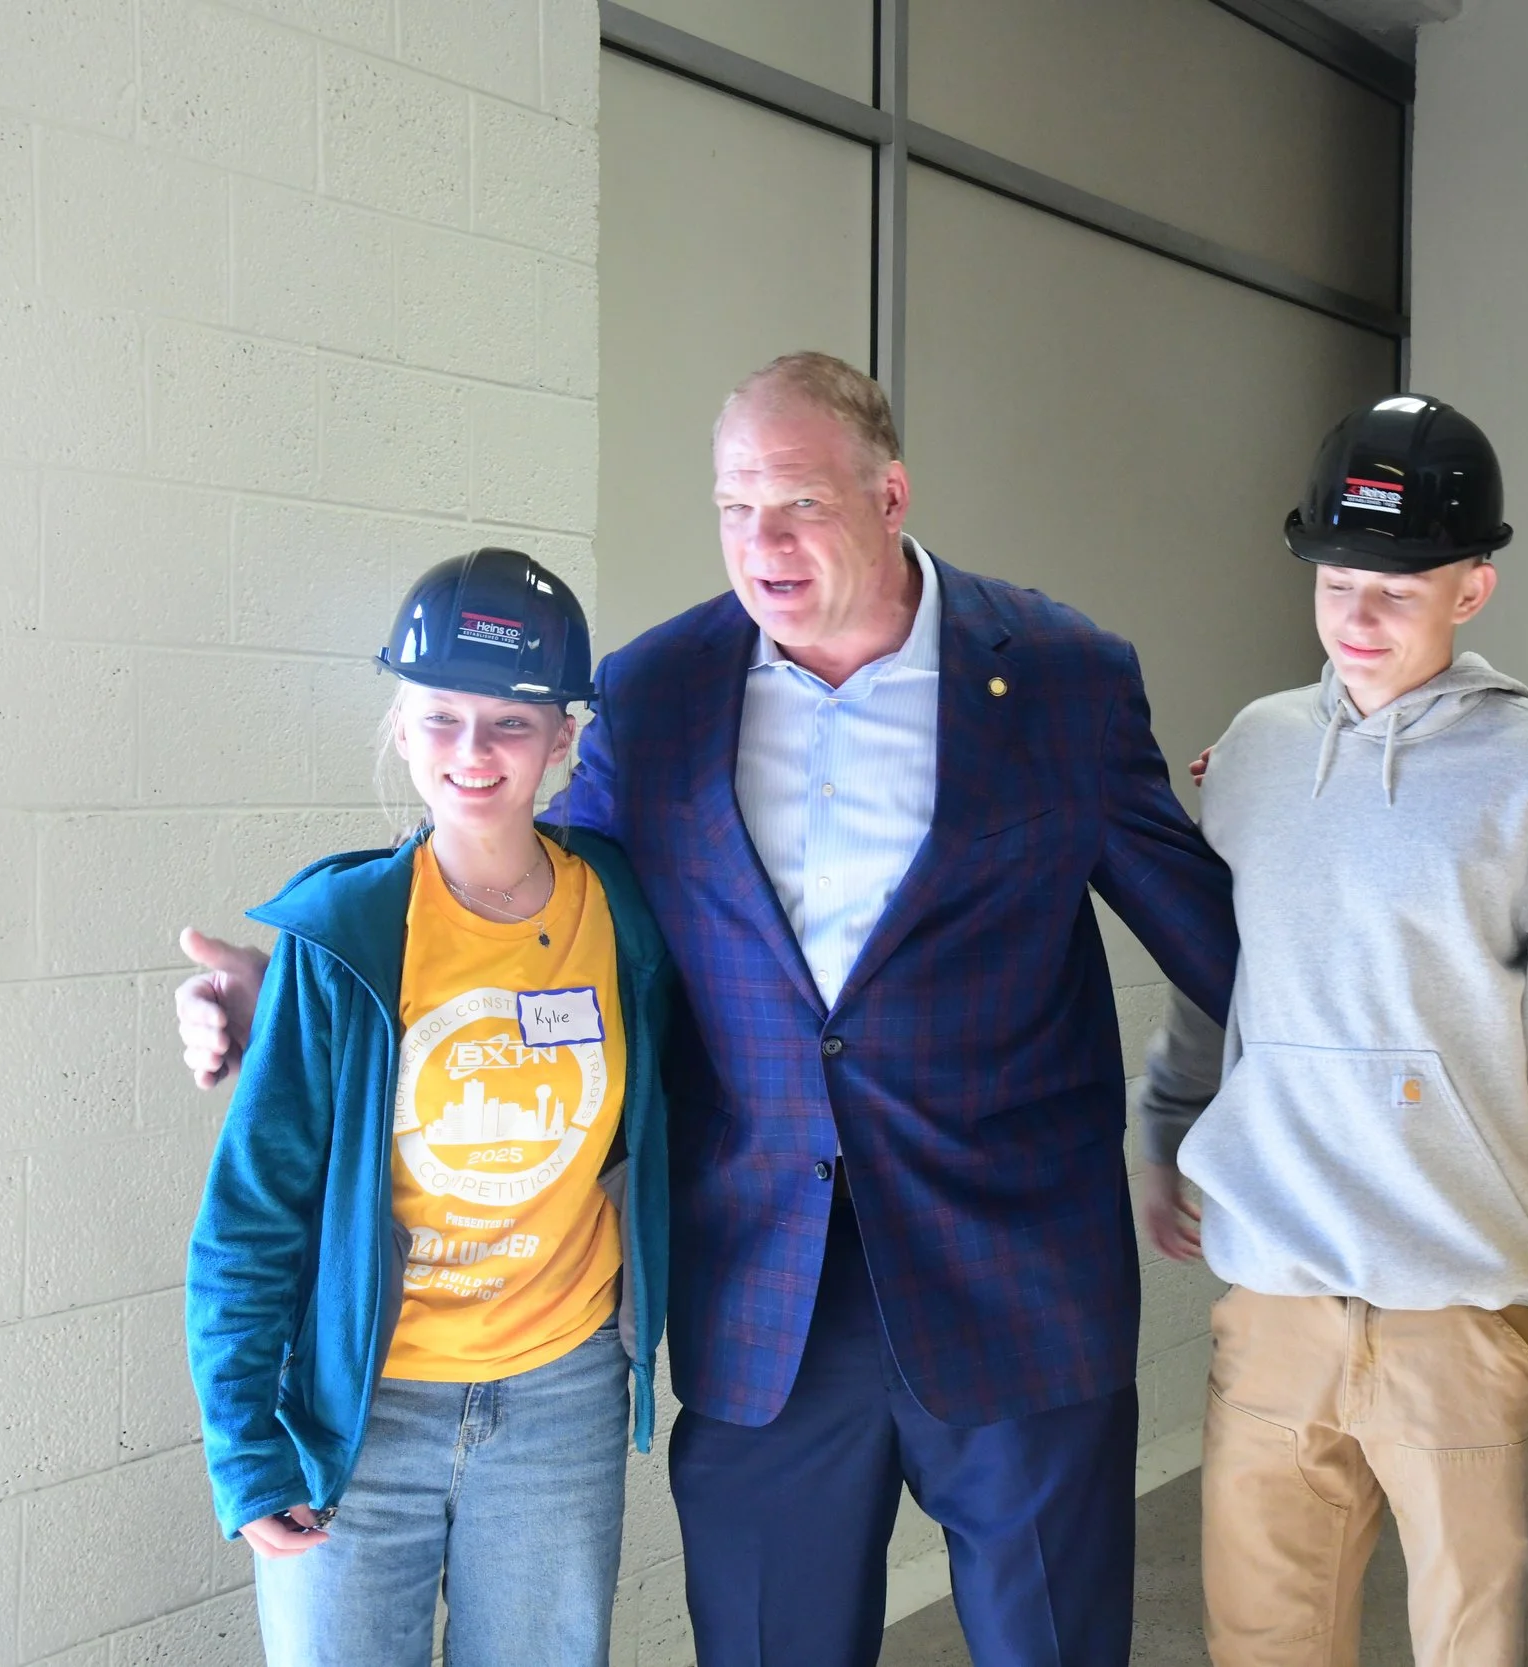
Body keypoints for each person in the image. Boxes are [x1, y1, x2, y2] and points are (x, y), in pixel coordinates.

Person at [175, 352, 1237, 1667]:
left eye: (797, 503)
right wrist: (289, 988)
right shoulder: (660, 689)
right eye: (735, 508)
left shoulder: (1064, 674)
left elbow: (1216, 932)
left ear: (892, 492)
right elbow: (522, 906)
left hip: (1016, 1278)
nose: (761, 542)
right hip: (765, 1295)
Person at [1134, 395, 1528, 1667]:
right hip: (1278, 1297)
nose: (1357, 619)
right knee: (1262, 1647)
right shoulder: (1252, 749)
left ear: (1473, 587)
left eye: (1397, 592)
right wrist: (1168, 1124)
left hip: (1461, 1310)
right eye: (1337, 581)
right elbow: (1215, 978)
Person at [184, 548, 676, 1666]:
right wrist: (245, 1446)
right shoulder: (347, 934)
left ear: (563, 739)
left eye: (510, 722)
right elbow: (250, 1217)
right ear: (402, 726)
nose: (472, 751)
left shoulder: (629, 916)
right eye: (442, 716)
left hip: (561, 1401)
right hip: (361, 1410)